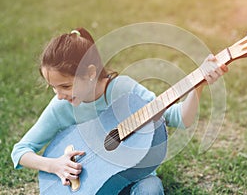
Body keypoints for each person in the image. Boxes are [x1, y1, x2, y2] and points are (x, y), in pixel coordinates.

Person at [11, 27, 228, 194]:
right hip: (89, 184)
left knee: (151, 189)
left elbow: (180, 118)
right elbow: (20, 151)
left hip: (133, 177)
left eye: (66, 86)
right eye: (53, 88)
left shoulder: (123, 90)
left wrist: (198, 84)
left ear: (90, 73)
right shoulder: (62, 106)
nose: (59, 95)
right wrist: (54, 165)